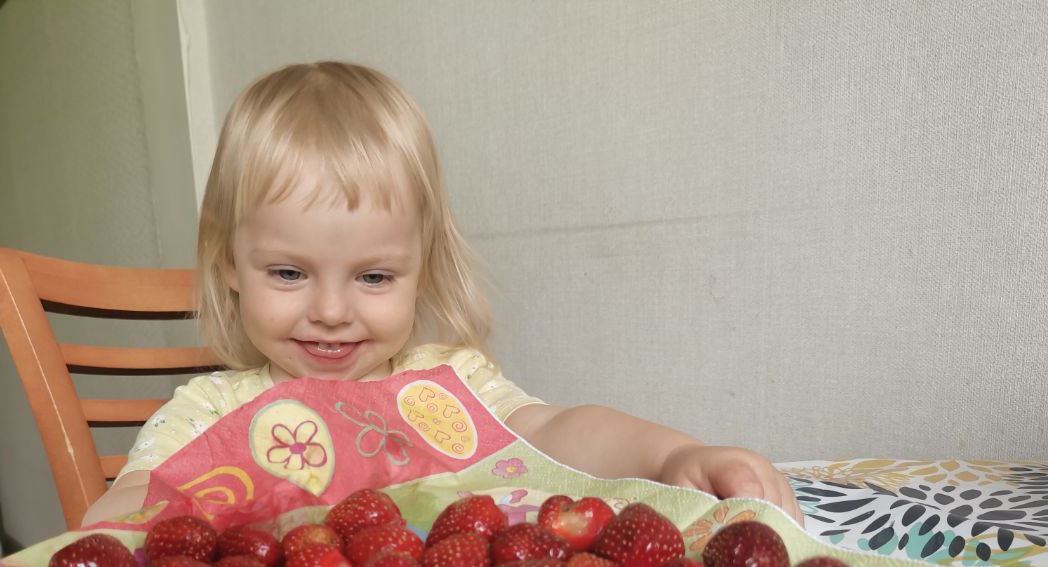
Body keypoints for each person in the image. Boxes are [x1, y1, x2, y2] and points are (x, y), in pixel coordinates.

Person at [81, 61, 801, 527]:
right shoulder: (211, 412)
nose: (331, 311)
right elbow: (118, 515)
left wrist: (674, 456)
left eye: (373, 277)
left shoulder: (444, 387)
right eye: (289, 273)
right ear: (227, 260)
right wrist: (144, 519)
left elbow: (559, 431)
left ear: (420, 266)